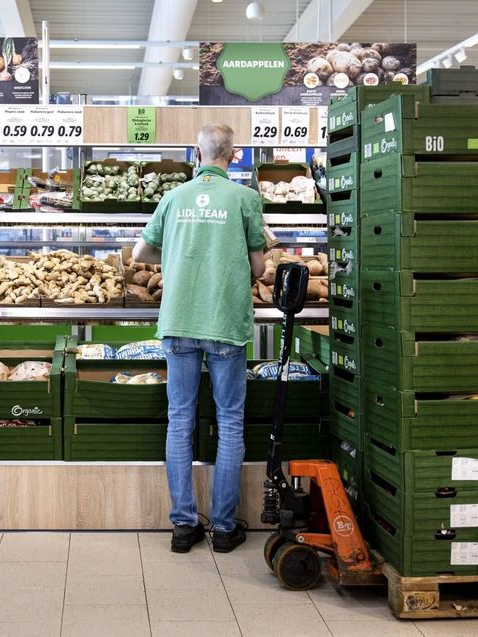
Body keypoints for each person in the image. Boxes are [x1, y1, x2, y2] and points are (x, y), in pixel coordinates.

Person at [133, 123, 267, 554]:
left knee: (180, 420)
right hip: (225, 321)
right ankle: (225, 529)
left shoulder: (173, 198)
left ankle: (183, 526)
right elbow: (260, 269)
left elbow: (140, 254)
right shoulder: (245, 198)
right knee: (229, 422)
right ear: (235, 155)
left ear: (196, 153)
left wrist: (176, 249)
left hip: (179, 320)